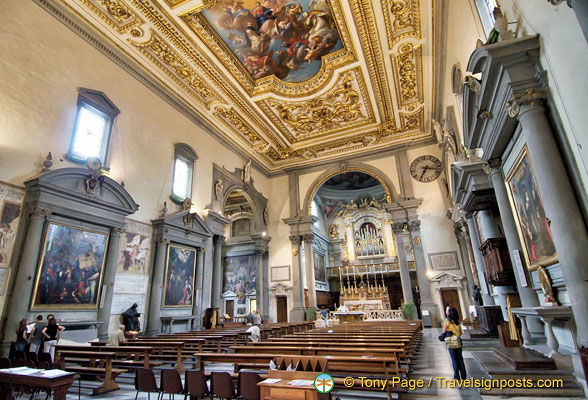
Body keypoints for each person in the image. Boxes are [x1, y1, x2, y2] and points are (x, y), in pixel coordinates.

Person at [444, 307, 466, 380]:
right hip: (458, 341)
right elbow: (461, 333)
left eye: (447, 311)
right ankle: (464, 376)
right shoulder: (457, 321)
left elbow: (444, 332)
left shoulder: (447, 321)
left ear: (449, 313)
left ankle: (457, 376)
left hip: (451, 341)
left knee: (454, 359)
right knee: (460, 359)